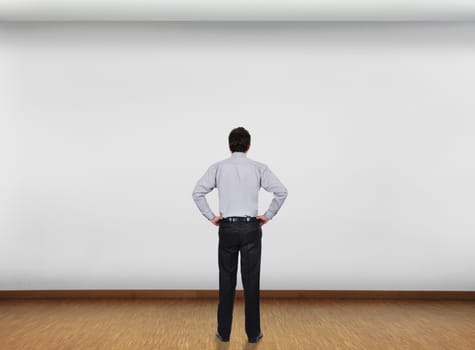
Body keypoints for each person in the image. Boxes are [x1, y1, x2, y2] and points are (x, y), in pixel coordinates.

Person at [191, 126, 288, 343]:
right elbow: (282, 191)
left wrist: (212, 216)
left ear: (229, 145)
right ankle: (253, 334)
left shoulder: (218, 168)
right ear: (249, 146)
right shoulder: (259, 168)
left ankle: (223, 333)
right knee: (251, 282)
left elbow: (197, 192)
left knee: (226, 281)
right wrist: (267, 215)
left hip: (227, 228)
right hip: (251, 228)